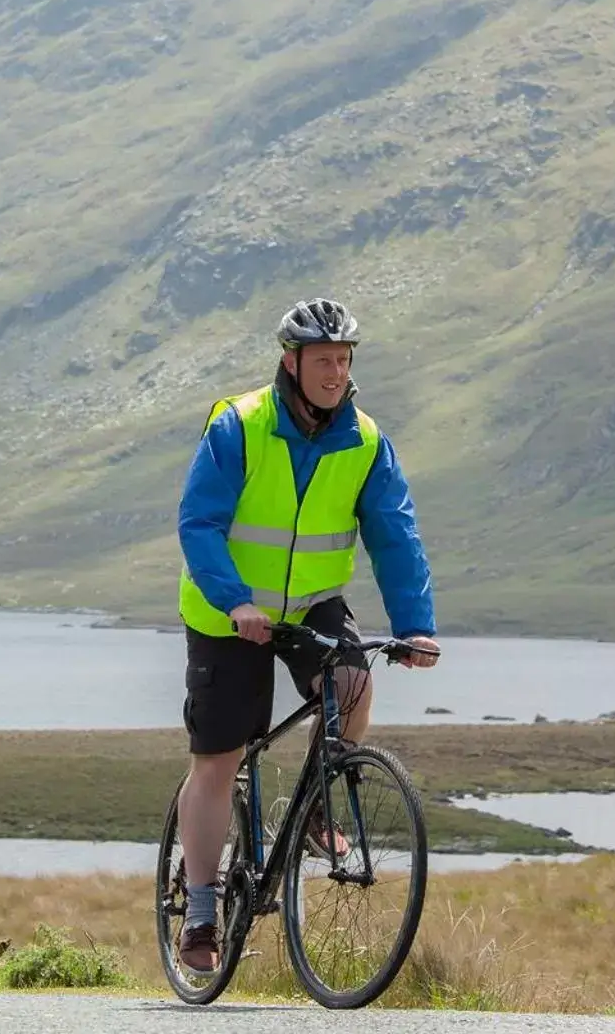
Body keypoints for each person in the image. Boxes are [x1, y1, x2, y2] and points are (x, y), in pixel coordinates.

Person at [171, 296, 441, 975]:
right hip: (227, 611)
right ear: (291, 363)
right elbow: (199, 523)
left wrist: (415, 626)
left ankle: (322, 802)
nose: (335, 373)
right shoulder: (240, 425)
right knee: (221, 755)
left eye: (344, 360)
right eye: (324, 360)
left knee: (352, 682)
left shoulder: (366, 441)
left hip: (312, 604)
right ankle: (201, 909)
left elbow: (394, 533)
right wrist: (235, 602)